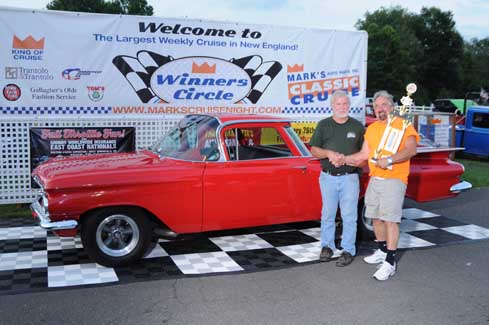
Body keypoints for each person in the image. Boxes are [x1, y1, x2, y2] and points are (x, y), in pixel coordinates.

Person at [346, 90, 419, 280]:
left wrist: (391, 160)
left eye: (384, 105)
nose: (380, 109)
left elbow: (411, 150)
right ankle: (381, 250)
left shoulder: (403, 125)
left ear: (392, 107)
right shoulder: (372, 129)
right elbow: (364, 154)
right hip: (375, 179)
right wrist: (344, 159)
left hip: (394, 179)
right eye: (376, 106)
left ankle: (390, 262)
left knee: (390, 221)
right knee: (375, 218)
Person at [309, 90, 365, 267]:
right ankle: (327, 246)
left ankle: (348, 249)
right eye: (338, 104)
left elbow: (365, 153)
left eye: (345, 104)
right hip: (328, 177)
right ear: (332, 106)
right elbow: (314, 150)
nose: (342, 107)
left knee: (349, 216)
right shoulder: (323, 125)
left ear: (349, 105)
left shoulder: (357, 127)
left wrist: (347, 159)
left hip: (350, 177)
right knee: (328, 214)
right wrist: (328, 153)